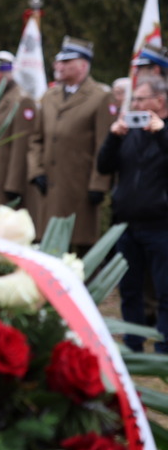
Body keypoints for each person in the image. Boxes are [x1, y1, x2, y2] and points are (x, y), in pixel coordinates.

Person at [97, 76, 168, 352]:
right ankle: (132, 344)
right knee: (129, 289)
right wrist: (113, 137)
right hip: (126, 223)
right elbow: (104, 166)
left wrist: (161, 133)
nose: (134, 104)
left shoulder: (163, 132)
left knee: (164, 291)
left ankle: (163, 348)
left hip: (160, 224)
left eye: (140, 99)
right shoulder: (130, 131)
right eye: (134, 99)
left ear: (159, 101)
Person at [27, 36, 115, 250]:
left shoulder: (100, 97)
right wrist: (36, 171)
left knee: (78, 248)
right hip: (49, 187)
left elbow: (104, 145)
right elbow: (36, 139)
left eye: (66, 62)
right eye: (59, 61)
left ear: (83, 65)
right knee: (47, 245)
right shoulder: (50, 96)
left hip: (79, 188)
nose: (59, 66)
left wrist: (99, 185)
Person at [0, 50, 36, 205]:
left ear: (0, 74)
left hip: (1, 181)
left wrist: (13, 186)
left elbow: (21, 146)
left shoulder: (21, 101)